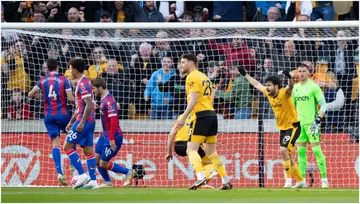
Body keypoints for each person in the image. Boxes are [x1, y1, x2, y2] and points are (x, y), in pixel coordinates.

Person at [238, 65, 306, 188]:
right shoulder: (268, 94)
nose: (267, 87)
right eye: (267, 85)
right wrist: (245, 74)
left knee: (283, 150)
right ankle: (301, 181)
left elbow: (290, 87)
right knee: (288, 155)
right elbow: (256, 84)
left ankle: (288, 180)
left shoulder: (284, 93)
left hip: (293, 126)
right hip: (283, 128)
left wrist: (289, 77)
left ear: (276, 86)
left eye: (269, 85)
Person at [177, 53, 231, 190]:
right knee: (211, 152)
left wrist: (183, 117)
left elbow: (193, 100)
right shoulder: (204, 77)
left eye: (183, 62)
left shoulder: (192, 77)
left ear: (191, 63)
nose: (181, 65)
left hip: (200, 116)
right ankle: (225, 181)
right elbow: (212, 94)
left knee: (191, 149)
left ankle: (200, 178)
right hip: (212, 115)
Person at [28, 59, 75, 185]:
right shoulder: (64, 79)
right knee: (72, 136)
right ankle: (72, 163)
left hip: (48, 115)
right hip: (63, 114)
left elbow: (30, 94)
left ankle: (59, 173)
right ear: (58, 67)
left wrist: (41, 96)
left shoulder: (42, 80)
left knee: (56, 144)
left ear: (47, 69)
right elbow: (70, 98)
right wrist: (80, 102)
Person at [91, 77, 135, 188]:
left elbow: (114, 121)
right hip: (104, 135)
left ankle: (128, 172)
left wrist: (111, 138)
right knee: (96, 160)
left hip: (113, 136)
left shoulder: (108, 101)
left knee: (103, 163)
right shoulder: (104, 99)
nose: (93, 91)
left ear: (100, 88)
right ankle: (108, 182)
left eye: (94, 89)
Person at [292, 63, 328, 188]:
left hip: (312, 124)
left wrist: (318, 120)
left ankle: (324, 180)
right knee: (301, 153)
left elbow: (324, 105)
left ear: (309, 72)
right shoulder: (295, 88)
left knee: (317, 150)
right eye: (299, 71)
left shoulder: (314, 87)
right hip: (299, 125)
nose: (301, 74)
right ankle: (301, 181)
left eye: (303, 71)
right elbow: (292, 107)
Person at [63, 58, 97, 189]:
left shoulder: (83, 84)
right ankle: (93, 181)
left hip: (85, 121)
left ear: (75, 70)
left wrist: (81, 122)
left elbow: (88, 104)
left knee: (67, 147)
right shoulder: (82, 83)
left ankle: (82, 174)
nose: (69, 71)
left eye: (70, 69)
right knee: (88, 150)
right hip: (88, 120)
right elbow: (80, 107)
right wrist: (71, 121)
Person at [166, 114, 217, 188]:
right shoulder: (200, 117)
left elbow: (171, 134)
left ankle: (201, 179)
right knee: (212, 162)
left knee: (198, 158)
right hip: (192, 144)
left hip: (178, 147)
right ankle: (202, 181)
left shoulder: (182, 116)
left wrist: (169, 152)